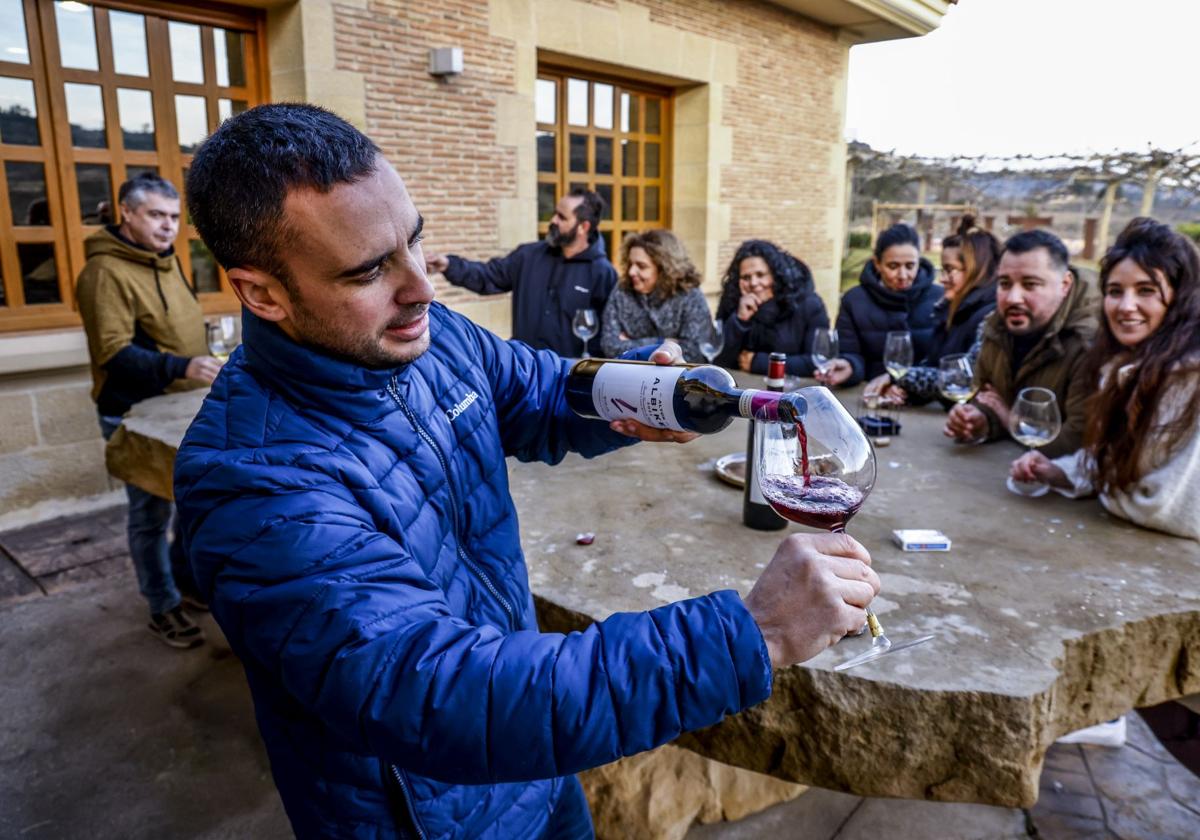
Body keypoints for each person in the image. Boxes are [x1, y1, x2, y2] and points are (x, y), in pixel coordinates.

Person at [175, 104, 881, 840]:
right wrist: (753, 635)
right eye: (368, 271)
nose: (421, 287)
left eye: (414, 241)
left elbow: (536, 389)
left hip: (538, 773)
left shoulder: (423, 333)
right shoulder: (251, 485)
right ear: (263, 293)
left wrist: (658, 389)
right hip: (428, 812)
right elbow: (447, 695)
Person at [74, 172, 221, 649]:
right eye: (156, 215)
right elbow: (113, 352)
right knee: (150, 516)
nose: (168, 227)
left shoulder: (165, 259)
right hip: (134, 413)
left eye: (174, 217)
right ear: (128, 214)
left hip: (181, 407)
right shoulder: (104, 273)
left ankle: (186, 583)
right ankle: (162, 605)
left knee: (190, 505)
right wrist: (184, 363)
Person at [1010, 218, 1200, 539]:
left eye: (1146, 290)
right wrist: (1063, 472)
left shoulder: (1191, 379)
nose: (1126, 306)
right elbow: (1116, 460)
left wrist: (1106, 489)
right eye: (1115, 291)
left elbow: (1173, 509)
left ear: (1180, 298)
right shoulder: (1121, 367)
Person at [944, 229, 1098, 456]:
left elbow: (1077, 442)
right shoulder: (994, 327)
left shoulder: (1089, 344)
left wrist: (1009, 419)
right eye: (1005, 284)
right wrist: (978, 420)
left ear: (1064, 285)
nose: (1013, 298)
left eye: (1030, 284)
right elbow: (986, 395)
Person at [424, 188, 617, 356]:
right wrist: (448, 265)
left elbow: (605, 336)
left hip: (568, 379)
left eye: (562, 217)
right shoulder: (528, 256)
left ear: (583, 227)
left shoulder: (603, 273)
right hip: (524, 372)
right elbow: (488, 276)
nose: (553, 220)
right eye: (555, 213)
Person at [866, 216, 1001, 405]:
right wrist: (905, 390)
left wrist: (898, 377)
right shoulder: (950, 310)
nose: (943, 279)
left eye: (950, 270)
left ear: (975, 270)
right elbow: (932, 365)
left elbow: (965, 376)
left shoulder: (992, 316)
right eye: (942, 270)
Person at [818, 223, 943, 387]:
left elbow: (943, 359)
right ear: (877, 264)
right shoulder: (854, 300)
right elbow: (850, 352)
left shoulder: (939, 298)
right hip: (870, 392)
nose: (903, 275)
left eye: (910, 266)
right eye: (893, 266)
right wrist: (849, 366)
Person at [712, 239, 830, 376]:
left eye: (760, 275)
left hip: (792, 392)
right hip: (741, 389)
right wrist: (739, 320)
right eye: (746, 277)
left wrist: (760, 363)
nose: (754, 283)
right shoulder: (731, 302)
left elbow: (819, 361)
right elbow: (716, 360)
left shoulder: (809, 304)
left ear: (776, 275)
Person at [599, 229, 714, 362]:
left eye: (641, 266)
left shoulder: (690, 295)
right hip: (630, 377)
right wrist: (663, 342)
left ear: (664, 268)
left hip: (678, 379)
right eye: (630, 264)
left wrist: (633, 345)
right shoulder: (621, 291)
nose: (631, 272)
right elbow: (609, 346)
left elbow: (695, 353)